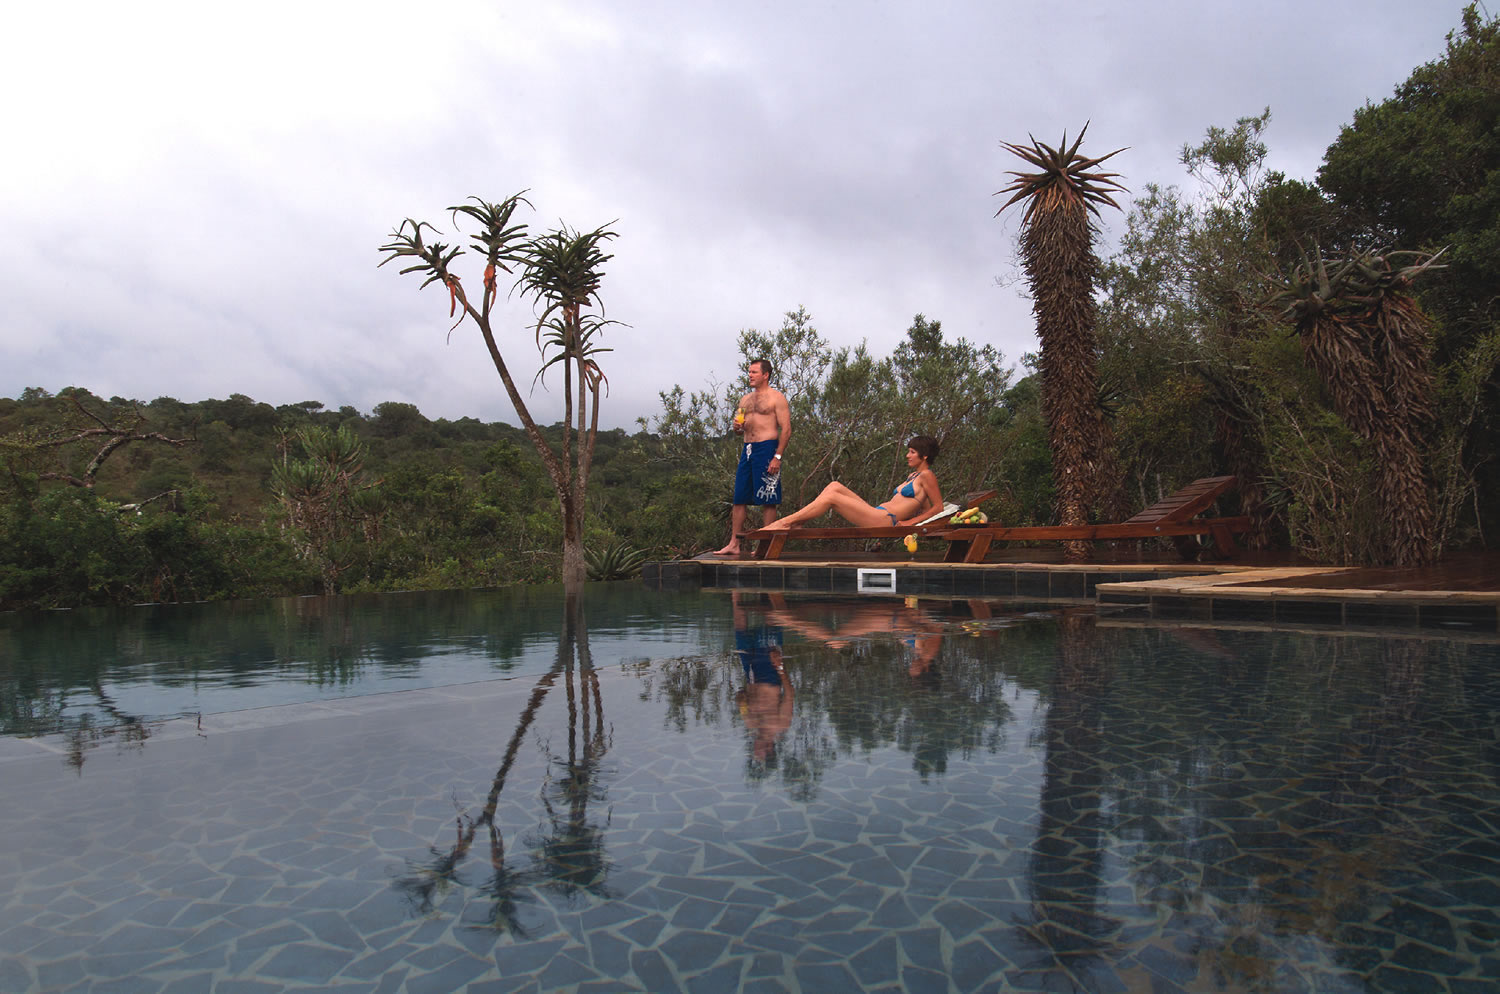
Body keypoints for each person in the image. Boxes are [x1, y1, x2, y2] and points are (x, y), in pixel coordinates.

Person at [761, 435, 942, 531]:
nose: (907, 455)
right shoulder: (913, 476)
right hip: (877, 512)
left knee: (832, 497)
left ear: (925, 455)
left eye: (912, 452)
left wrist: (910, 523)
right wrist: (916, 519)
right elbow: (924, 508)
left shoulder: (927, 476)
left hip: (886, 520)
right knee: (834, 486)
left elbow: (938, 508)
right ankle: (799, 522)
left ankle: (785, 522)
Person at [712, 358, 791, 556]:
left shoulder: (777, 398)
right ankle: (734, 543)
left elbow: (786, 429)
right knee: (739, 498)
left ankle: (765, 544)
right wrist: (737, 427)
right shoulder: (745, 400)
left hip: (767, 448)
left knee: (768, 498)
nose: (750, 375)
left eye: (754, 372)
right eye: (749, 372)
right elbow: (739, 427)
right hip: (748, 449)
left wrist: (777, 457)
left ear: (765, 375)